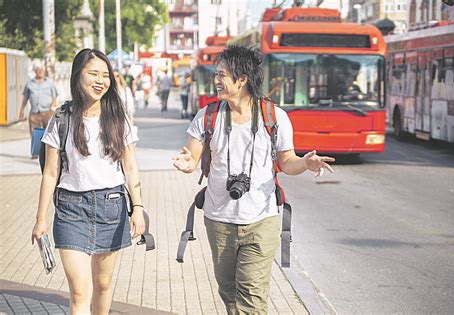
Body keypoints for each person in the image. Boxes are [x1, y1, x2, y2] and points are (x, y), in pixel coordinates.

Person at [172, 45, 335, 314]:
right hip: (219, 219)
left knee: (252, 294)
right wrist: (185, 163)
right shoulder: (208, 116)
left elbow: (287, 162)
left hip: (261, 219)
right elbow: (192, 156)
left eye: (222, 75)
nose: (217, 81)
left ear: (242, 79)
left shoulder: (275, 117)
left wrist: (305, 163)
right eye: (216, 74)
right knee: (228, 290)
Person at [31, 48, 145, 314]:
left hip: (111, 207)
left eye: (105, 75)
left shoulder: (118, 118)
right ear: (77, 76)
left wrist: (138, 208)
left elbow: (130, 166)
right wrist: (40, 219)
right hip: (71, 211)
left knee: (103, 284)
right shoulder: (61, 120)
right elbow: (50, 173)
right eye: (93, 73)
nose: (100, 81)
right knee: (80, 290)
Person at [19, 63, 58, 158]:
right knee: (34, 134)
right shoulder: (29, 83)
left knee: (49, 133)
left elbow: (54, 96)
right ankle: (35, 153)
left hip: (47, 112)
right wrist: (22, 110)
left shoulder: (49, 82)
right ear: (34, 71)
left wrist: (53, 107)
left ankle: (47, 153)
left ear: (44, 70)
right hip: (34, 113)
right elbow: (25, 97)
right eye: (37, 70)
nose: (40, 71)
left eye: (41, 69)